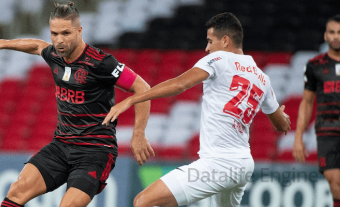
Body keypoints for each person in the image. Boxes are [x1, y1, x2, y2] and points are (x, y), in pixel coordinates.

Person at [0, 2, 154, 207]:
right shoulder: (55, 55)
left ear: (79, 30)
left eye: (66, 33)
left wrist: (138, 133)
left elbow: (142, 87)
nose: (59, 40)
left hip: (95, 151)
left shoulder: (101, 62)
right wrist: (1, 43)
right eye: (54, 34)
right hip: (61, 145)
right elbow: (38, 45)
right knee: (17, 191)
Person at [102, 12, 291, 207]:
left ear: (225, 41)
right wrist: (283, 117)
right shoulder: (262, 78)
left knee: (143, 201)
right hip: (243, 165)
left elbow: (180, 84)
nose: (207, 48)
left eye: (210, 41)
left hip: (219, 164)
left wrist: (132, 99)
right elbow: (280, 124)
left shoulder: (220, 59)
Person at [293, 14, 340, 207]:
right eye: (332, 32)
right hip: (327, 131)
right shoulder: (314, 66)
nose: (336, 36)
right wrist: (298, 138)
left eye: (339, 32)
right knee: (335, 183)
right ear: (325, 35)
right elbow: (306, 102)